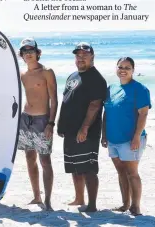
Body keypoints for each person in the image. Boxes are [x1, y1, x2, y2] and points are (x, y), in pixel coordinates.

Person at [57, 42, 107, 212]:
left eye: (85, 55)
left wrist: (84, 128)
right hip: (71, 129)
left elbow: (95, 105)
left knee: (88, 168)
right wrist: (60, 124)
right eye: (78, 55)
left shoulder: (96, 78)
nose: (81, 58)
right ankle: (79, 198)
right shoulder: (73, 76)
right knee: (75, 166)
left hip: (86, 132)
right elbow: (66, 100)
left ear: (92, 56)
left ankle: (92, 205)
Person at [101, 57, 151, 216]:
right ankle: (125, 204)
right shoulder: (111, 88)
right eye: (120, 67)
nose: (123, 70)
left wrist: (136, 136)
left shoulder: (140, 89)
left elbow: (143, 114)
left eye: (127, 67)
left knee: (132, 173)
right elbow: (106, 113)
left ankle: (135, 207)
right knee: (121, 172)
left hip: (130, 139)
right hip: (113, 138)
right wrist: (104, 135)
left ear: (133, 70)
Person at [15, 38, 58, 211]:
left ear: (37, 52)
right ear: (22, 55)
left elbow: (54, 100)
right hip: (25, 119)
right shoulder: (22, 74)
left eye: (31, 50)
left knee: (45, 160)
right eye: (25, 51)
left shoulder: (47, 72)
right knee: (29, 158)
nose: (28, 53)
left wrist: (51, 123)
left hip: (42, 120)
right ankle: (36, 196)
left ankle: (47, 200)